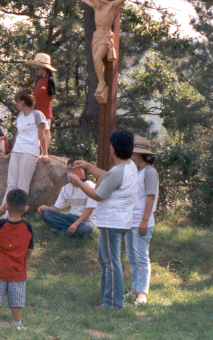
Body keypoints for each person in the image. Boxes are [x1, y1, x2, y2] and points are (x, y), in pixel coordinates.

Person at [71, 130, 138, 310]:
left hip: (111, 222)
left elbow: (98, 195)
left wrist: (79, 182)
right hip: (121, 221)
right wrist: (88, 166)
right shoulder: (129, 167)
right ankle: (108, 297)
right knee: (106, 259)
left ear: (114, 149)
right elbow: (107, 177)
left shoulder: (118, 172)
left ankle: (112, 304)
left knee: (110, 263)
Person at [70, 0, 147, 102]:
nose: (93, 4)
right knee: (96, 59)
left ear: (99, 0)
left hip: (106, 37)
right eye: (93, 3)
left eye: (95, 2)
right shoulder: (96, 8)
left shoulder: (111, 5)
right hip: (97, 36)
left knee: (97, 58)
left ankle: (102, 82)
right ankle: (101, 82)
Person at [0, 189, 34, 331]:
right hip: (17, 271)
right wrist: (24, 260)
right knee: (17, 299)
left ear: (6, 205)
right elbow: (29, 249)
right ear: (26, 208)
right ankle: (17, 324)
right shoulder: (27, 227)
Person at [124, 136, 159, 306]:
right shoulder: (136, 171)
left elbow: (150, 198)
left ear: (139, 155)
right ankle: (134, 289)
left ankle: (143, 293)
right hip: (130, 221)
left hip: (141, 221)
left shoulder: (150, 172)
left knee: (141, 257)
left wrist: (144, 221)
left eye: (132, 154)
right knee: (132, 257)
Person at [1, 90, 48, 214]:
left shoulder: (37, 115)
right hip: (17, 151)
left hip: (30, 151)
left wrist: (45, 153)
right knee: (11, 183)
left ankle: (16, 214)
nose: (16, 104)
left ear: (22, 102)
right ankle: (4, 213)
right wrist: (12, 151)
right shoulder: (20, 116)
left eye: (17, 101)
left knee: (22, 184)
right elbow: (17, 134)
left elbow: (42, 135)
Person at [37, 159, 97, 237]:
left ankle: (61, 231)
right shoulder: (66, 188)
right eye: (68, 170)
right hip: (71, 217)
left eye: (72, 170)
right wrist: (45, 208)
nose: (69, 173)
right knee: (46, 213)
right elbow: (57, 208)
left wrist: (75, 225)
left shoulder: (89, 185)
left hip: (86, 220)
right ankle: (68, 232)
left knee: (87, 228)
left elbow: (89, 211)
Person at [25, 53, 56, 154]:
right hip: (36, 110)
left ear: (43, 68)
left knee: (46, 131)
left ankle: (45, 152)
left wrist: (44, 101)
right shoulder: (38, 80)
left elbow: (52, 95)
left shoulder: (50, 80)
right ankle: (35, 150)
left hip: (45, 111)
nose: (36, 71)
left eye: (38, 69)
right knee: (36, 131)